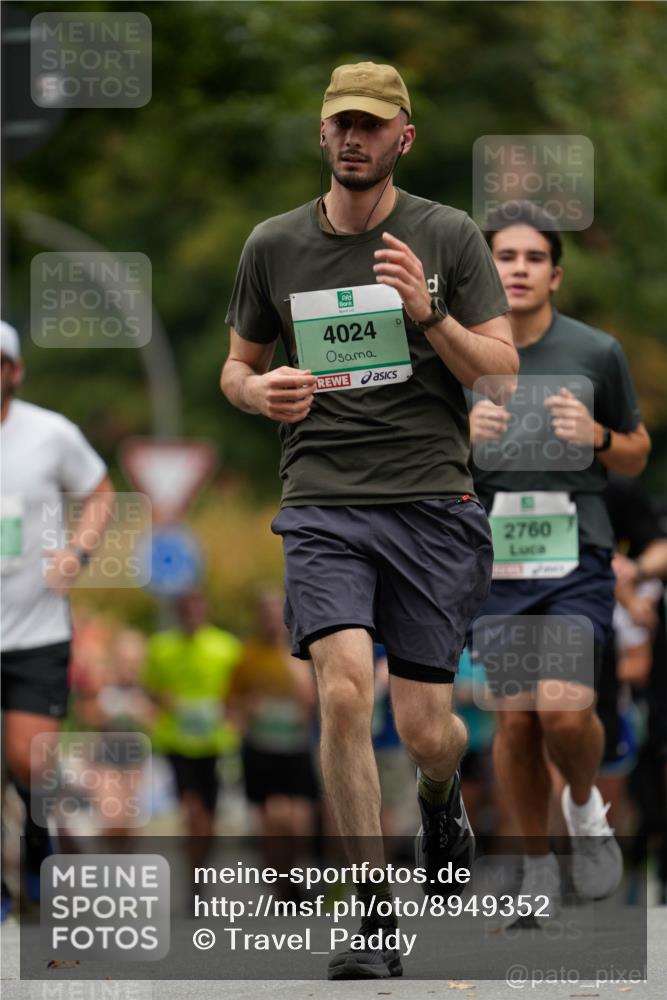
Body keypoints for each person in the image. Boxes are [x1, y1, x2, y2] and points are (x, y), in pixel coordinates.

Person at [221, 62, 518, 979]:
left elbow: (499, 373)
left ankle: (440, 794)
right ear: (322, 134)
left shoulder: (446, 234)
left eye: (372, 125)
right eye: (340, 123)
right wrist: (257, 390)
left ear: (403, 138)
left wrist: (427, 313)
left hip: (429, 500)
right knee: (343, 690)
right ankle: (372, 916)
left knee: (427, 725)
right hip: (320, 501)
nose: (354, 138)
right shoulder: (272, 245)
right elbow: (236, 368)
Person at [467, 201, 651, 923]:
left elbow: (635, 449)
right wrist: (464, 435)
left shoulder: (594, 351)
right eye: (503, 257)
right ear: (484, 271)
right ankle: (537, 864)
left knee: (565, 711)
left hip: (576, 551)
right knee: (514, 726)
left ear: (554, 274)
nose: (516, 268)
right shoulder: (460, 355)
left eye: (531, 258)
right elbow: (425, 461)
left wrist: (600, 435)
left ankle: (583, 811)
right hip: (496, 562)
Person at [1, 320, 114, 918]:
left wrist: (78, 551)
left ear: (13, 371)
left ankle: (39, 859)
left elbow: (100, 493)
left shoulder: (50, 433)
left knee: (28, 756)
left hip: (36, 627)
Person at [142, 591, 242, 879]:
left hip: (215, 742)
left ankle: (203, 864)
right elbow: (148, 687)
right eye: (186, 611)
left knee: (208, 817)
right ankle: (194, 875)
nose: (192, 616)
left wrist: (231, 712)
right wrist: (163, 699)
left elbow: (239, 691)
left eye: (196, 610)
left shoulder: (226, 646)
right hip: (177, 741)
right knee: (192, 811)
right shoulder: (160, 647)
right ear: (178, 613)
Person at [227, 589, 319, 898]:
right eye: (264, 612)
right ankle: (281, 886)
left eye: (275, 611)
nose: (270, 618)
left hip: (295, 744)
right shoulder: (247, 655)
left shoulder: (304, 651)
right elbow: (230, 703)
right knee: (271, 818)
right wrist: (247, 708)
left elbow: (319, 698)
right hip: (261, 745)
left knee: (297, 819)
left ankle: (295, 873)